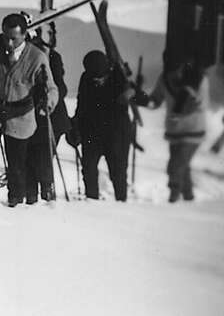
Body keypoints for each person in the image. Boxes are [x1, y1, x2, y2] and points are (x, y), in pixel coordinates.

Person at [0, 12, 58, 207]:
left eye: (14, 39)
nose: (8, 43)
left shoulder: (36, 57)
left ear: (24, 35)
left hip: (21, 114)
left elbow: (51, 87)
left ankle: (16, 201)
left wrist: (48, 102)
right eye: (5, 37)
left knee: (17, 163)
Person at [138, 55, 207, 202]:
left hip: (193, 131)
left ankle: (173, 198)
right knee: (183, 166)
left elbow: (199, 104)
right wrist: (139, 96)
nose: (173, 73)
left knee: (175, 165)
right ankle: (188, 198)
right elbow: (154, 101)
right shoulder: (164, 79)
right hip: (174, 132)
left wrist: (184, 103)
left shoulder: (199, 80)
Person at [67, 50, 133, 200]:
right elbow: (81, 104)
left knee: (118, 172)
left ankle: (121, 202)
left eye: (100, 77)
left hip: (116, 133)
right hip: (91, 133)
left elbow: (137, 96)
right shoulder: (86, 78)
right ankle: (92, 202)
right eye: (94, 77)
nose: (96, 80)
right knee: (89, 170)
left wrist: (131, 93)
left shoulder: (119, 77)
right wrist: (75, 125)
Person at [26, 28, 71, 203]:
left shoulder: (53, 57)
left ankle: (47, 194)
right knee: (30, 157)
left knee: (43, 157)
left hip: (52, 117)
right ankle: (31, 196)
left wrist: (47, 95)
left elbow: (61, 86)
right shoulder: (23, 55)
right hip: (30, 116)